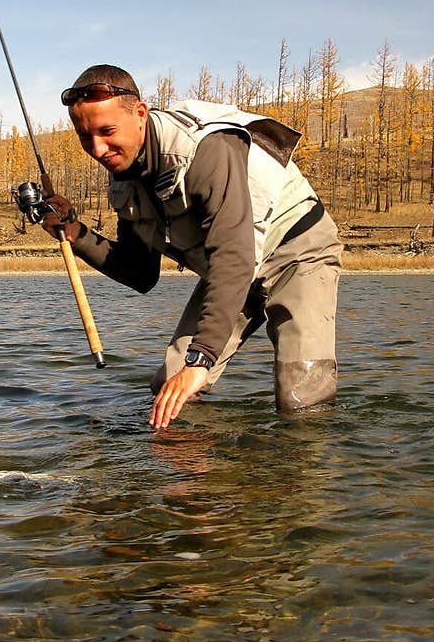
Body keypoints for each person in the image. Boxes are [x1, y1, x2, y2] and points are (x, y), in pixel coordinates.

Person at [42, 64, 343, 429]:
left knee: (300, 398)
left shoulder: (206, 149)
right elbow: (140, 273)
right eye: (84, 136)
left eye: (107, 131)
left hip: (296, 252)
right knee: (169, 389)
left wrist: (200, 361)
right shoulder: (125, 178)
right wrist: (75, 233)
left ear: (140, 113)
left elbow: (234, 257)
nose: (98, 148)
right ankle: (197, 480)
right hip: (230, 270)